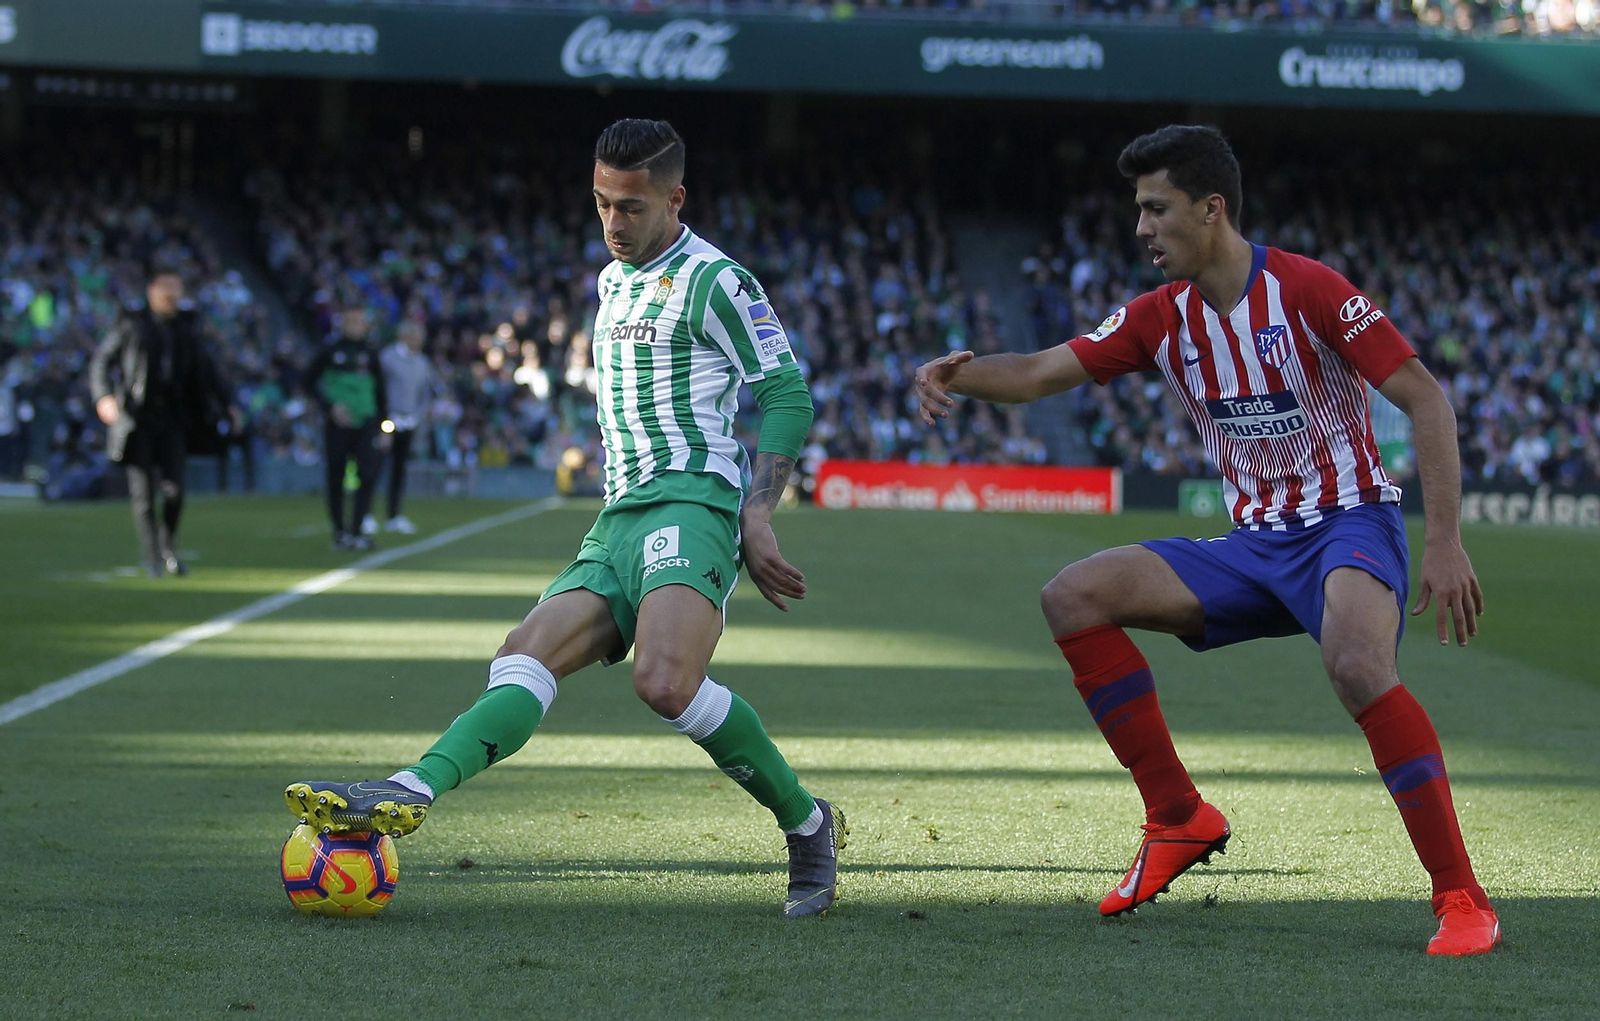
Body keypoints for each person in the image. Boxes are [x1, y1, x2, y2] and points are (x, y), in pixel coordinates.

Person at [914, 125, 1498, 956]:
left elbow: (1426, 399)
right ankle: (1178, 816)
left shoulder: (1310, 290)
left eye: (1157, 210)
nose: (1141, 229)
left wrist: (1443, 541)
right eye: (1139, 211)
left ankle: (1462, 897)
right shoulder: (1161, 316)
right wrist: (958, 373)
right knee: (1073, 594)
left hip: (1349, 523)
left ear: (1211, 209)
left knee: (1360, 665)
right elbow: (1044, 371)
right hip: (1253, 542)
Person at [283, 119, 845, 918]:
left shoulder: (719, 280)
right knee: (523, 653)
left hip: (691, 499)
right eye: (601, 203)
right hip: (618, 517)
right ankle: (406, 789)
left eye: (632, 207)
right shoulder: (612, 281)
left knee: (662, 679)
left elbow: (786, 391)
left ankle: (807, 822)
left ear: (675, 198)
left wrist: (757, 514)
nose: (614, 222)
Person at [89, 265, 232, 577]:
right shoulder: (132, 323)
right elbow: (101, 361)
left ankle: (169, 545)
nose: (171, 294)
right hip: (138, 418)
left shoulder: (187, 328)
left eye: (176, 287)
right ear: (151, 290)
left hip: (174, 418)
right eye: (165, 286)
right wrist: (104, 397)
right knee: (142, 493)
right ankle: (153, 556)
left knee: (174, 490)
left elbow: (207, 371)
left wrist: (228, 403)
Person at [306, 306, 388, 551]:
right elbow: (308, 381)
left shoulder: (372, 354)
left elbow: (381, 393)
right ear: (343, 323)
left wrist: (386, 428)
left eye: (359, 321)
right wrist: (330, 407)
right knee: (336, 475)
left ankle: (358, 530)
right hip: (337, 424)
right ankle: (340, 533)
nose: (355, 325)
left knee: (367, 474)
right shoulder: (330, 351)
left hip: (367, 423)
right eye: (351, 320)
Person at [371, 319, 434, 535]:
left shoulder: (422, 363)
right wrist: (382, 420)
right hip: (388, 420)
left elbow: (424, 393)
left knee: (399, 471)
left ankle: (393, 516)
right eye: (416, 337)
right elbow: (378, 389)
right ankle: (366, 514)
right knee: (375, 467)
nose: (420, 341)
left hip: (409, 422)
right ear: (405, 336)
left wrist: (417, 416)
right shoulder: (388, 358)